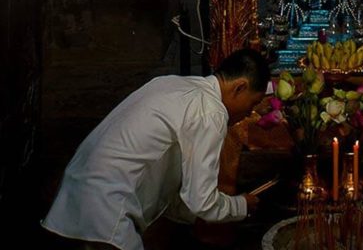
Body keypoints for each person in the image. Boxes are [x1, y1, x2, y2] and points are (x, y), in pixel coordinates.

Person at [42, 48, 271, 250]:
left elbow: (175, 193)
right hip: (108, 208)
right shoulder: (211, 111)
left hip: (76, 194)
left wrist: (200, 215)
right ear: (240, 87)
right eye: (252, 103)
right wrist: (241, 205)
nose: (250, 113)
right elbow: (202, 201)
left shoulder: (170, 84)